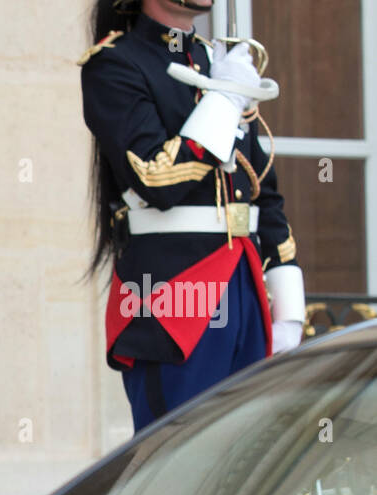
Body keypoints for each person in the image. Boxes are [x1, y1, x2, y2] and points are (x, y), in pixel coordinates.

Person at [81, 0, 306, 433]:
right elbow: (157, 179)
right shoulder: (115, 64)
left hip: (243, 283)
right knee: (179, 468)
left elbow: (260, 190)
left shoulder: (215, 61)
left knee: (246, 472)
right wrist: (223, 99)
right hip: (173, 293)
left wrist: (289, 308)